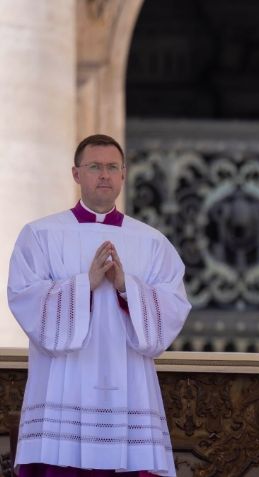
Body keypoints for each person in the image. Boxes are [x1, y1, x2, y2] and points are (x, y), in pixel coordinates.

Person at [8, 134, 191, 476]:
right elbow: (24, 296)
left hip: (129, 385)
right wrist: (85, 284)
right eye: (94, 167)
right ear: (76, 174)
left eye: (112, 167)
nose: (104, 175)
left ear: (124, 174)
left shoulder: (152, 242)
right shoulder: (40, 235)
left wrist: (126, 287)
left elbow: (174, 304)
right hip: (64, 386)